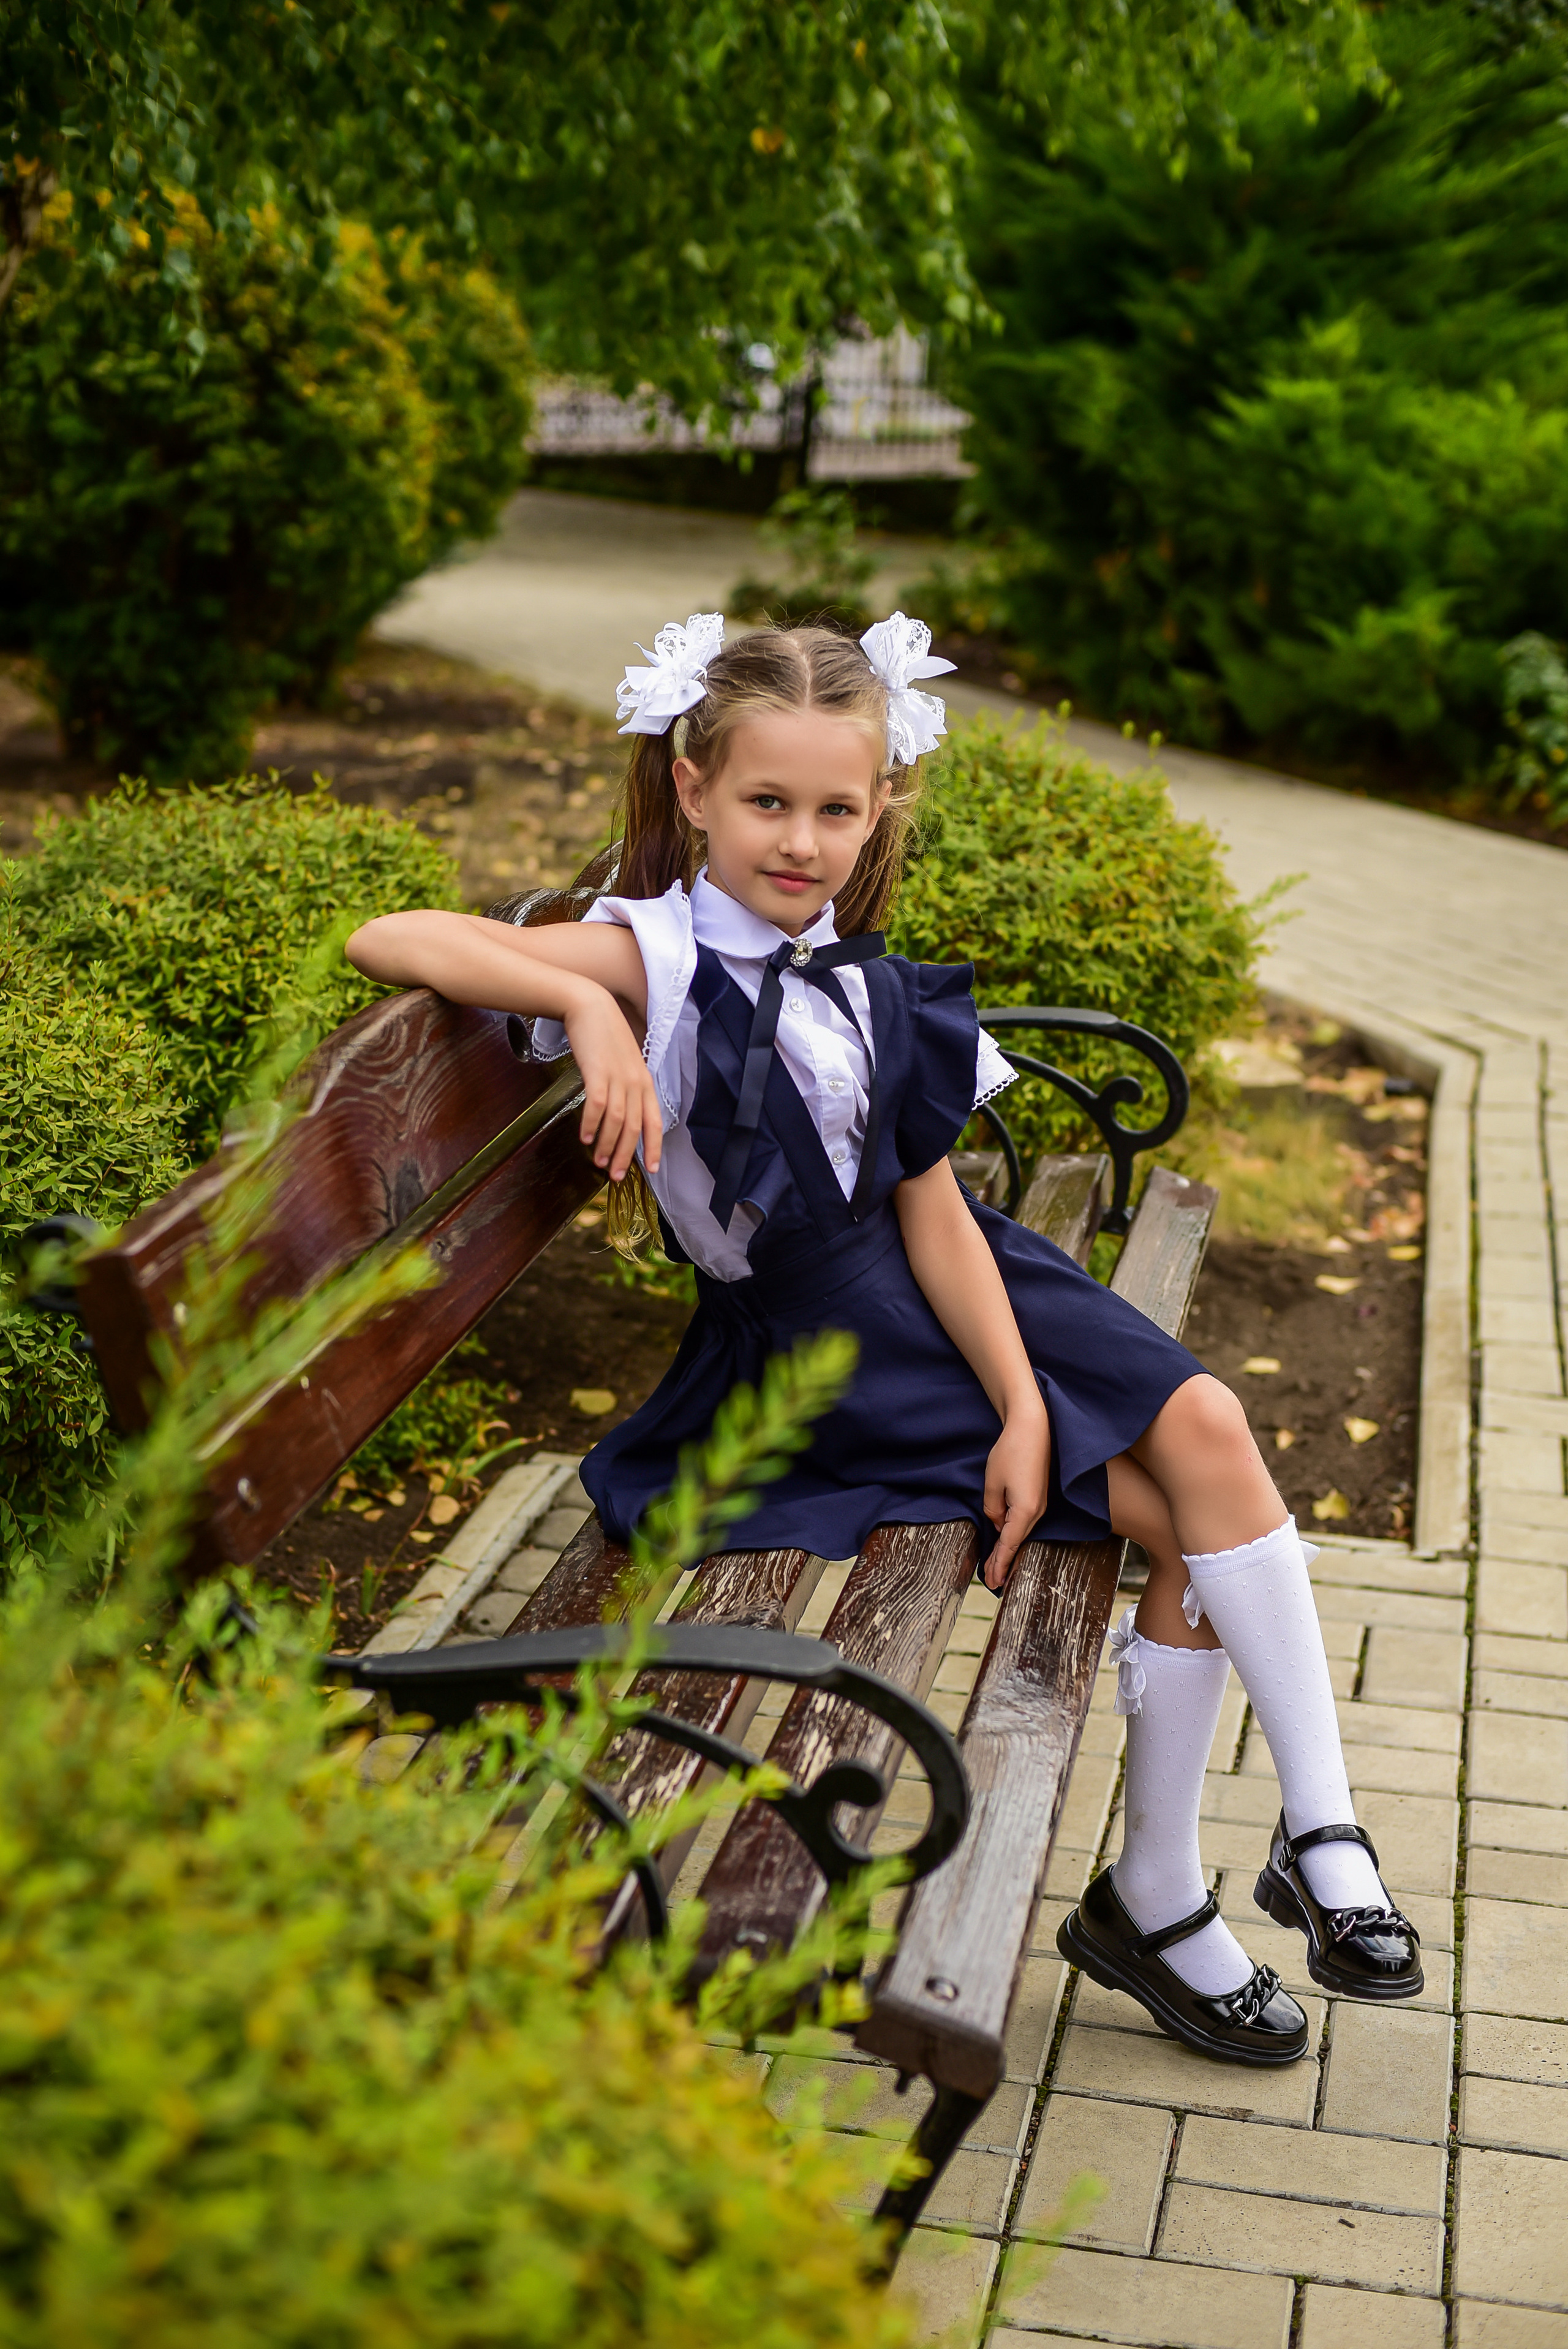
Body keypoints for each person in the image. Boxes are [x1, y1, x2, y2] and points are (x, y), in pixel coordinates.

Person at [346, 611, 1422, 2062]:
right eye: (765, 803)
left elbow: (933, 1213)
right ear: (692, 790)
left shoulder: (853, 972)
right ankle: (1168, 1897)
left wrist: (1023, 1407)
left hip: (950, 1299)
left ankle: (1309, 1832)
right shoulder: (648, 951)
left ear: (877, 808)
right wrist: (584, 1013)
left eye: (833, 809)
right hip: (822, 1354)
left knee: (1211, 1443)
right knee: (1189, 1509)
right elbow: (390, 937)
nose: (799, 839)